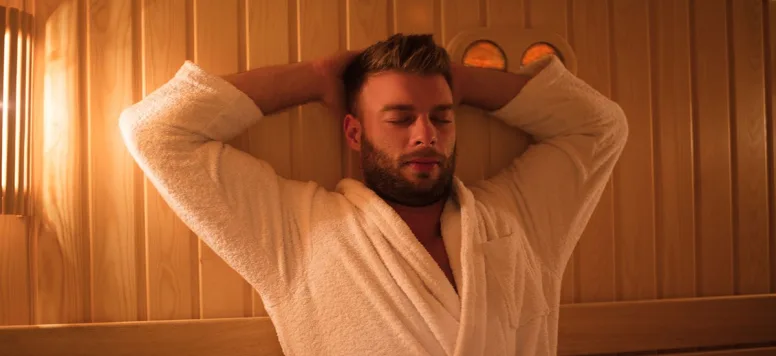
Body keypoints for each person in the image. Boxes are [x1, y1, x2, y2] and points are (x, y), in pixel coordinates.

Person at [119, 34, 627, 355]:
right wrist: (316, 77)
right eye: (401, 117)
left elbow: (600, 127)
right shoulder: (299, 232)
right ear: (355, 133)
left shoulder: (519, 220)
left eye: (443, 117)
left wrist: (465, 80)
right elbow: (155, 131)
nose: (426, 134)